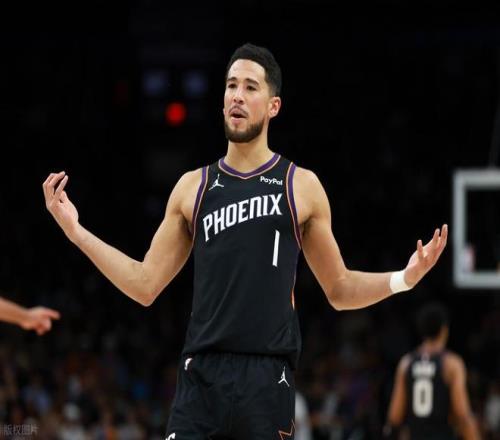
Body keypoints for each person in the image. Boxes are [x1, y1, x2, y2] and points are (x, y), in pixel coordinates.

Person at [42, 43, 448, 439]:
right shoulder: (193, 187)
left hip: (266, 380)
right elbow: (144, 284)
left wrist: (403, 279)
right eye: (231, 85)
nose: (237, 95)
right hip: (201, 379)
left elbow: (339, 289)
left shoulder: (300, 186)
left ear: (273, 106)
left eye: (250, 87)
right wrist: (77, 232)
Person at [384, 302, 480, 439]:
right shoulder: (452, 364)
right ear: (444, 330)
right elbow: (462, 415)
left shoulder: (406, 363)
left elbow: (394, 416)